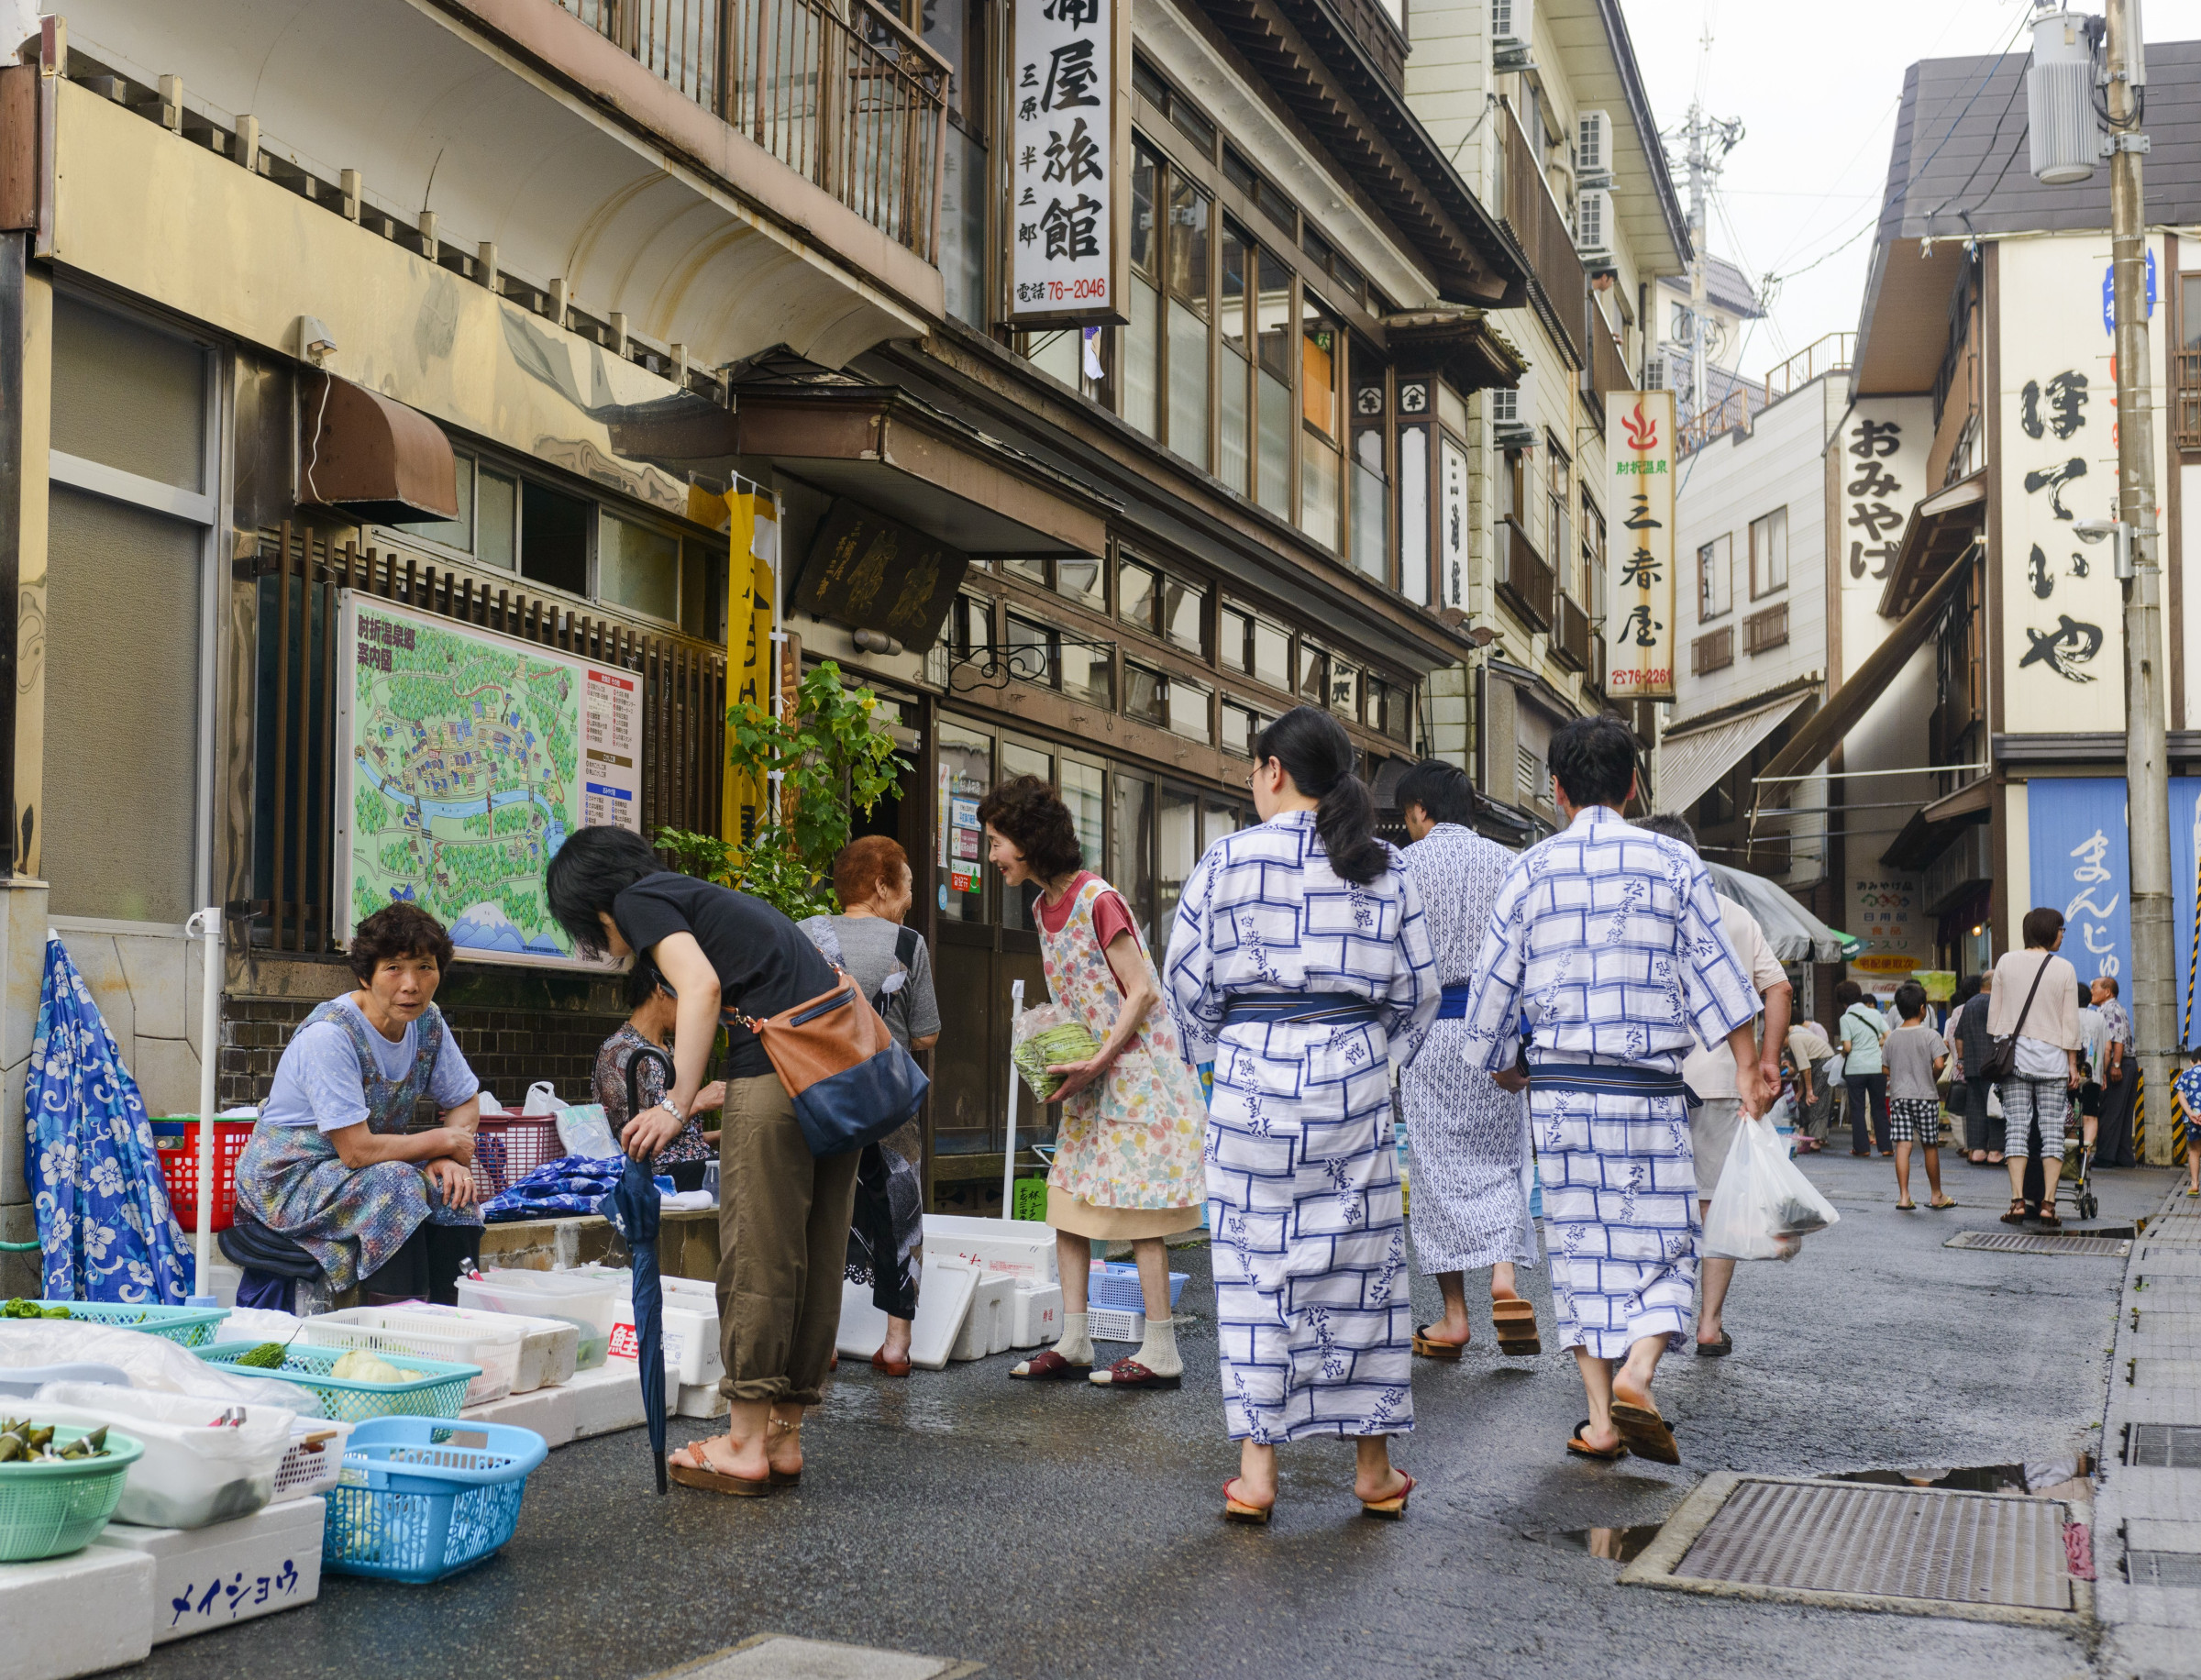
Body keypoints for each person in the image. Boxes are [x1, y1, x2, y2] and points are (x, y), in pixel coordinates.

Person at [1458, 715, 1763, 1467]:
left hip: (1560, 1092)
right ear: (1634, 784)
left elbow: (1495, 989)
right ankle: (1641, 1370)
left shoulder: (1529, 869)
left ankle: (1599, 1421)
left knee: (1581, 1249)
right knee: (1662, 1242)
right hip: (1649, 1089)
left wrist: (1503, 1064)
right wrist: (1750, 1066)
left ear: (1556, 790)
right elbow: (1721, 978)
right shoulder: (1673, 863)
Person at [1165, 706, 1436, 1521]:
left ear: (1272, 770)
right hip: (1349, 1075)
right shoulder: (1383, 865)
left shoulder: (1226, 860)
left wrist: (1223, 1055)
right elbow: (1417, 994)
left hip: (1251, 1079)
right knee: (1359, 1268)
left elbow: (1184, 980)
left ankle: (1258, 1475)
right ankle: (1374, 1469)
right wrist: (1370, 1057)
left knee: (1253, 1270)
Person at [546, 824, 857, 1497]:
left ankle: (742, 1443)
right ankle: (781, 1437)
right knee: (814, 1246)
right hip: (840, 1066)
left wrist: (677, 1103)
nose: (606, 945)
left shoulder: (639, 900)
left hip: (779, 1067)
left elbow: (701, 987)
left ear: (597, 908)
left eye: (592, 932)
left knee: (758, 1250)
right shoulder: (700, 896)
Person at [979, 775, 1207, 1392]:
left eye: (997, 840)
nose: (992, 854)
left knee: (1138, 1210)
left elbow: (1144, 991)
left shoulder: (1097, 898)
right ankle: (1074, 1339)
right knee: (1070, 1201)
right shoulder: (1039, 908)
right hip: (1093, 1072)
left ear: (1027, 841)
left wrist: (1099, 1058)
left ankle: (1161, 1349)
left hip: (1136, 1073)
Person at [228, 904, 482, 1309]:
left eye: (425, 967)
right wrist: (440, 1140)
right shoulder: (331, 1035)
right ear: (366, 975)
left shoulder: (428, 1021)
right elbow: (357, 1150)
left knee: (454, 1189)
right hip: (290, 1181)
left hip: (359, 1170)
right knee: (397, 1185)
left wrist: (452, 1157)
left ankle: (453, 1319)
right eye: (394, 968)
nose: (412, 985)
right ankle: (396, 1333)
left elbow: (465, 1100)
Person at [1392, 758, 1540, 1361]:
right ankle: (1503, 1279)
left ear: (1422, 811)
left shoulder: (1402, 867)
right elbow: (1529, 959)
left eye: (1406, 817)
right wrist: (1523, 1042)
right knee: (1500, 1164)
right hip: (1496, 1035)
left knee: (1436, 1173)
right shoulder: (1509, 865)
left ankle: (1454, 1319)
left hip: (1430, 1037)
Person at [1633, 814, 1788, 1360]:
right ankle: (1708, 1323)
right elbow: (1778, 988)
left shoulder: (1641, 909)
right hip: (1725, 1079)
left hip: (1651, 1078)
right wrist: (1767, 1060)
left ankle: (1648, 1324)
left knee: (1648, 1198)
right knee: (1713, 1204)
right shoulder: (1735, 916)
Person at [799, 836, 941, 1377]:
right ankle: (898, 1348)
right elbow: (926, 1035)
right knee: (900, 1212)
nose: (909, 899)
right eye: (905, 884)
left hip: (823, 1098)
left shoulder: (805, 936)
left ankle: (822, 1344)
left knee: (819, 1211)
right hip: (889, 1103)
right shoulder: (908, 944)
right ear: (882, 885)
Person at [1987, 907, 2084, 1230]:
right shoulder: (2064, 969)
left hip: (2015, 1061)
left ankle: (2016, 1201)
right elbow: (2070, 1023)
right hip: (2053, 1061)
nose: (2063, 934)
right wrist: (2073, 1064)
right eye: (2061, 929)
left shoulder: (2005, 962)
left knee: (2016, 1127)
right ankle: (2048, 1205)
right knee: (2052, 1131)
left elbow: (1995, 1018)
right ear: (2049, 931)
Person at [593, 958, 726, 1191]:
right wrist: (695, 1102)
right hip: (660, 1177)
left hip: (691, 1166)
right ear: (660, 989)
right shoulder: (619, 1051)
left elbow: (682, 1142)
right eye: (685, 995)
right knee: (746, 1171)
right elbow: (632, 1142)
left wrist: (723, 1135)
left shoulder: (671, 1050)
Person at [1883, 981, 1956, 1211]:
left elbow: (1885, 1069)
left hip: (1899, 1096)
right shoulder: (1930, 1035)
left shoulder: (1892, 1037)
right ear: (1923, 1008)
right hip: (1925, 1096)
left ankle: (1904, 1197)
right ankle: (1937, 1195)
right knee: (1929, 1145)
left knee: (1903, 1146)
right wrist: (1932, 1076)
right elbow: (1940, 1062)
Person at [1836, 980, 1891, 1158]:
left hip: (1856, 1069)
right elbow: (1888, 1037)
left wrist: (1843, 1052)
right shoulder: (1874, 1014)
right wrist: (1874, 1043)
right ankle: (1886, 1147)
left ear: (1844, 1002)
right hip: (1876, 1067)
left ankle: (1862, 1148)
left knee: (1858, 1109)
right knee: (1879, 1108)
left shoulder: (1845, 1018)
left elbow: (1848, 1046)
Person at [2090, 976, 2139, 1169]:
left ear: (2107, 991)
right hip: (2126, 1063)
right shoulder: (2113, 1008)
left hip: (2119, 1063)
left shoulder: (2110, 1009)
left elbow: (2117, 1039)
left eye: (2095, 987)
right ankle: (2123, 1156)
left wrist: (2115, 1065)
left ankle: (2104, 1157)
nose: (2092, 991)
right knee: (2122, 1113)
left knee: (2109, 1111)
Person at [1951, 972, 1999, 1165]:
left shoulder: (1968, 1004)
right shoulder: (1996, 1004)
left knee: (1976, 1108)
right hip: (1994, 1065)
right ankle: (1995, 1151)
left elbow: (1958, 1036)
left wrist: (1961, 1060)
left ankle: (1978, 1150)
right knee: (1996, 1107)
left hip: (1971, 1065)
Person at [1786, 1016, 1836, 1153]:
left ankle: (1815, 1141)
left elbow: (1805, 1068)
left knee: (1815, 1100)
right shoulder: (1796, 1032)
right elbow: (1803, 1068)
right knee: (1804, 1101)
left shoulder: (1793, 1038)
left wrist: (1809, 1090)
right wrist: (1802, 1090)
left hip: (1823, 1062)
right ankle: (1805, 1138)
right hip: (1817, 1062)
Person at [2173, 1046, 2201, 1199]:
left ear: (2192, 1061)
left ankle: (2195, 1184)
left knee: (2195, 1151)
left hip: (2192, 1119)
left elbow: (2181, 1096)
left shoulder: (2186, 1074)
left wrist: (2190, 1113)